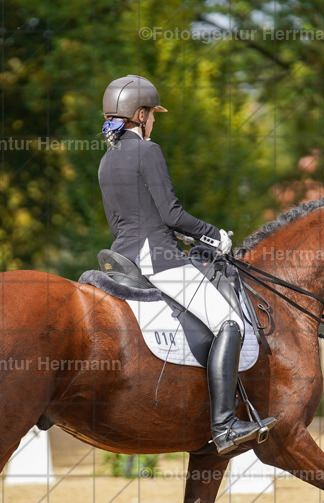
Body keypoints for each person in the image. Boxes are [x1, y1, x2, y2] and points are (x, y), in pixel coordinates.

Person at [97, 74, 276, 455]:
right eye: (153, 115)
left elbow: (124, 222)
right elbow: (171, 213)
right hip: (158, 260)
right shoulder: (149, 151)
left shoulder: (105, 162)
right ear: (141, 114)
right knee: (229, 321)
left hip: (123, 258)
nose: (155, 122)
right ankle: (225, 424)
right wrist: (214, 235)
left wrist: (184, 237)